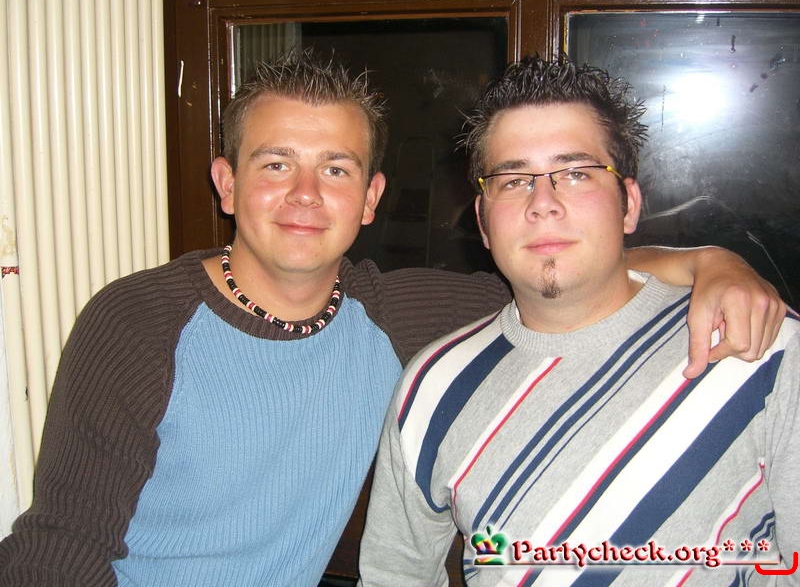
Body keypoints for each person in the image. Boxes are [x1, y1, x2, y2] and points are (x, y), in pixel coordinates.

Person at [0, 50, 785, 587]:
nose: (305, 194)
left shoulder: (395, 314)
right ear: (227, 184)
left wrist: (709, 260)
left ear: (371, 198)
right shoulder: (139, 321)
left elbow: (562, 266)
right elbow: (62, 547)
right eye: (275, 164)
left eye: (336, 169)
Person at [358, 55, 799, 586]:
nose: (543, 203)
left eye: (575, 173)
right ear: (482, 221)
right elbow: (395, 576)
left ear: (628, 204)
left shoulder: (758, 343)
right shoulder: (431, 387)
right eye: (513, 179)